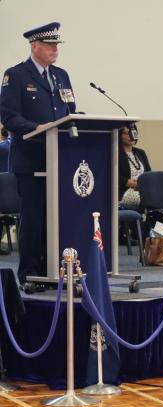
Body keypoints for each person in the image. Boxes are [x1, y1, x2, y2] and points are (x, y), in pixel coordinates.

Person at [0, 23, 76, 288]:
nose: (56, 50)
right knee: (34, 219)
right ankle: (30, 273)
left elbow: (70, 111)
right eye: (50, 45)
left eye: (57, 45)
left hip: (60, 161)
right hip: (31, 160)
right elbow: (9, 117)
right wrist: (36, 128)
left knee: (58, 218)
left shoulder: (62, 76)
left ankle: (53, 271)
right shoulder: (16, 75)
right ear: (35, 46)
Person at [118, 125, 150, 210]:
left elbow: (149, 174)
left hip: (143, 189)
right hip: (124, 191)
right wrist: (127, 182)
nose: (130, 136)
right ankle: (148, 222)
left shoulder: (140, 152)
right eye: (126, 133)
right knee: (150, 198)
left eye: (132, 132)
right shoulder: (115, 153)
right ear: (119, 135)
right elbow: (111, 175)